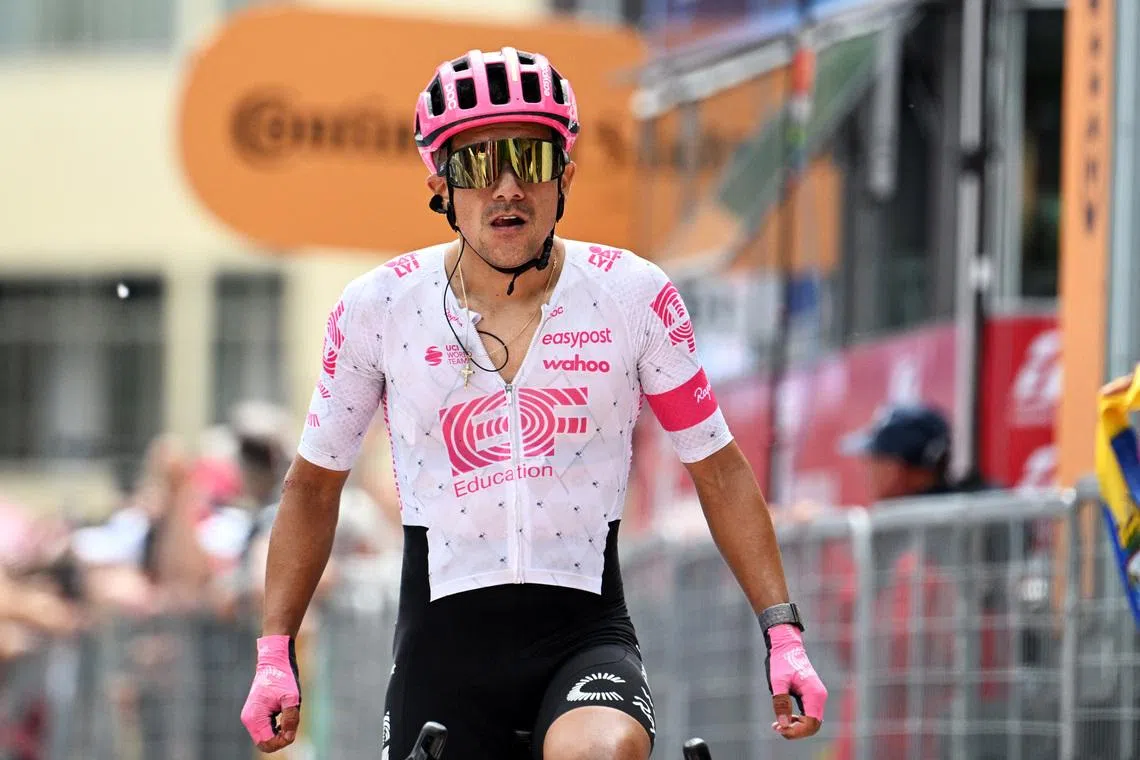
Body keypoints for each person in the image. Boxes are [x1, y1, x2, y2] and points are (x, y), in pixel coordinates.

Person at [240, 47, 827, 759]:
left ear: (566, 177)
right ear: (442, 186)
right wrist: (275, 650)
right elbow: (313, 486)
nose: (507, 188)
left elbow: (719, 469)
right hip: (442, 654)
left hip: (585, 639)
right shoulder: (379, 308)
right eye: (480, 166)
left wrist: (783, 633)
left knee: (601, 754)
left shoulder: (633, 296)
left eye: (530, 160)